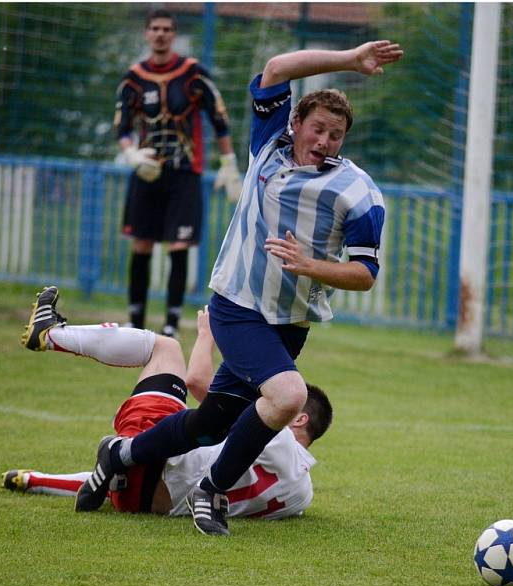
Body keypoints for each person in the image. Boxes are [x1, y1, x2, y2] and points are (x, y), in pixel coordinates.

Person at [76, 40, 404, 536]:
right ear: (295, 124)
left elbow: (365, 273)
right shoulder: (269, 143)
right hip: (237, 304)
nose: (324, 141)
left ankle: (118, 453)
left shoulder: (359, 192)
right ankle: (212, 492)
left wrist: (310, 265)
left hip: (289, 322)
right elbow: (275, 67)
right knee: (289, 395)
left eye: (335, 135)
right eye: (317, 128)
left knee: (209, 424)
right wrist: (349, 59)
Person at [17, 285, 331, 520]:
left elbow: (198, 383)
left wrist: (207, 336)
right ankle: (55, 473)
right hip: (138, 501)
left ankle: (51, 335)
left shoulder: (272, 435)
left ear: (299, 418)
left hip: (154, 468)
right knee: (141, 449)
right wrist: (35, 481)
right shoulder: (302, 496)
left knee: (165, 349)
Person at [117, 8, 242, 338]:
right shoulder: (133, 78)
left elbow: (219, 119)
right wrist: (130, 153)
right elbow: (122, 127)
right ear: (146, 33)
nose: (160, 34)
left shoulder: (193, 74)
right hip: (147, 173)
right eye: (154, 28)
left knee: (178, 246)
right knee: (141, 245)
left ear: (174, 35)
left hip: (185, 173)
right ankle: (135, 320)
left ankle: (171, 323)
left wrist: (229, 165)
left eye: (166, 29)